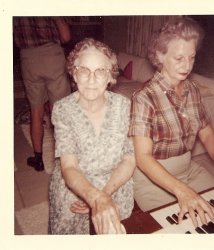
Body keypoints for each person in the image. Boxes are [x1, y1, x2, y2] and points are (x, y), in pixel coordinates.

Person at [129, 16, 214, 228]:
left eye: (191, 57)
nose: (187, 66)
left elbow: (207, 132)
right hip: (152, 179)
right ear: (160, 55)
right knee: (186, 227)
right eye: (179, 58)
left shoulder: (192, 90)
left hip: (189, 169)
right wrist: (182, 191)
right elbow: (143, 158)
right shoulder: (144, 98)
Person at [48, 38, 135, 234]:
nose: (91, 79)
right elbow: (69, 167)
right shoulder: (62, 110)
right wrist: (91, 197)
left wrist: (101, 197)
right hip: (75, 193)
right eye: (84, 70)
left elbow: (129, 159)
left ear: (110, 76)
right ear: (74, 73)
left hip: (114, 187)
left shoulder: (124, 106)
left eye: (100, 71)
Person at [13, 17, 71, 171]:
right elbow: (66, 37)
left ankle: (38, 159)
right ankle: (64, 159)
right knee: (59, 109)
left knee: (36, 110)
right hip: (52, 56)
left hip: (28, 58)